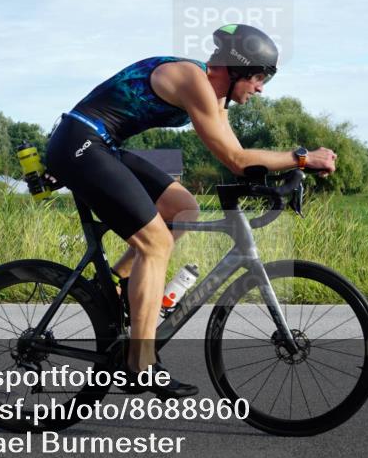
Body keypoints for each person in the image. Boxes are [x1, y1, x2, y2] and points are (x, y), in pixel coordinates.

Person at [44, 24, 338, 397]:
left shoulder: (215, 98)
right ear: (234, 70)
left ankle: (119, 286)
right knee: (155, 244)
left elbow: (241, 159)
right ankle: (140, 365)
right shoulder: (193, 79)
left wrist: (283, 173)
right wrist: (301, 157)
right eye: (259, 78)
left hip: (102, 145)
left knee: (183, 208)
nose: (261, 88)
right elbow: (235, 159)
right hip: (80, 144)